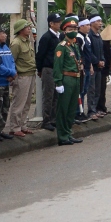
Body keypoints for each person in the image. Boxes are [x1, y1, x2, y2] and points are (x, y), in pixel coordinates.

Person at [52, 17, 83, 146]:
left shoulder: (75, 46)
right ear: (64, 31)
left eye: (75, 29)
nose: (73, 31)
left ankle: (68, 133)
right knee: (63, 109)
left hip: (76, 78)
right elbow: (57, 66)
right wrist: (58, 82)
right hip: (67, 79)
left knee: (71, 109)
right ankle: (62, 136)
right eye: (70, 29)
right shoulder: (61, 47)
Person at [5, 19, 36, 137]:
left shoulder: (28, 41)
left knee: (27, 103)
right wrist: (14, 74)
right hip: (22, 75)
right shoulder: (16, 43)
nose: (29, 29)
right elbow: (11, 60)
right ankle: (15, 127)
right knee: (19, 102)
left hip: (30, 73)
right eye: (27, 27)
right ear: (21, 30)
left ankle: (23, 125)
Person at [35, 13, 62, 132]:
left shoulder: (59, 36)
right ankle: (46, 120)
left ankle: (53, 118)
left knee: (56, 95)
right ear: (51, 23)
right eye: (57, 22)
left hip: (57, 69)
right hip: (48, 69)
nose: (59, 24)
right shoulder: (46, 37)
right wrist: (40, 69)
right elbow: (40, 55)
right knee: (48, 95)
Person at [91, 16, 111, 116]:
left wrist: (102, 60)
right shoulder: (89, 36)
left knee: (99, 90)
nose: (100, 23)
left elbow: (101, 52)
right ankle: (92, 110)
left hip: (100, 67)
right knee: (92, 90)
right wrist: (96, 61)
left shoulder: (98, 35)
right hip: (93, 67)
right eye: (98, 21)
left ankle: (98, 109)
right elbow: (89, 52)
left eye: (101, 21)